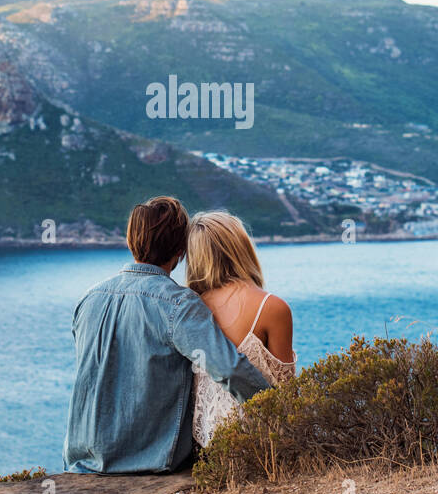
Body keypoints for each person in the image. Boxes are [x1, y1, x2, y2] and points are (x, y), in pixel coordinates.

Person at [63, 196, 270, 473]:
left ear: (130, 241)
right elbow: (230, 370)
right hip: (148, 463)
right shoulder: (178, 304)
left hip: (82, 464)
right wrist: (280, 410)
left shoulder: (88, 299)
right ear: (181, 251)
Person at [186, 210, 296, 447]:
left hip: (199, 448)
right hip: (262, 444)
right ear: (241, 247)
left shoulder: (185, 309)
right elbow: (287, 392)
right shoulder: (272, 308)